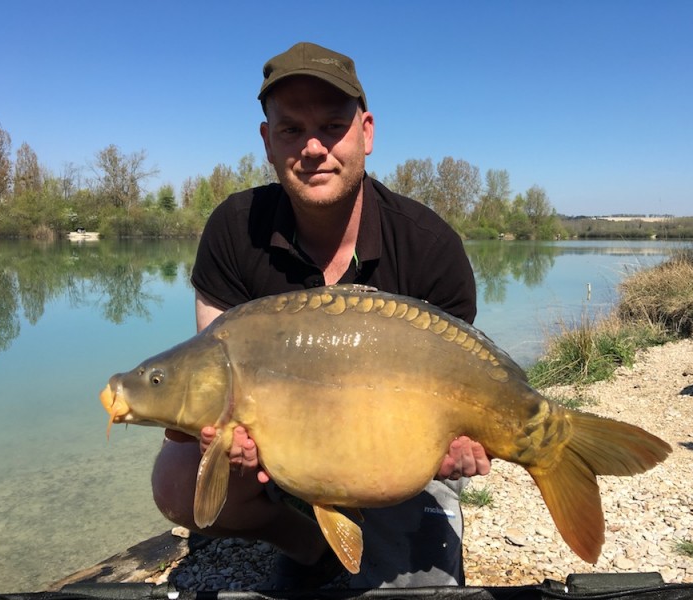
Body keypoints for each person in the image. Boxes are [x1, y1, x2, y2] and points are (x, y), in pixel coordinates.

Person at [151, 41, 491, 589]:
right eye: (291, 129)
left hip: (394, 453)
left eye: (333, 126)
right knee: (176, 479)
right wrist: (222, 437)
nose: (313, 148)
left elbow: (463, 383)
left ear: (366, 133)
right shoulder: (234, 230)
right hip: (283, 449)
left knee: (416, 589)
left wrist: (457, 446)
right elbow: (212, 374)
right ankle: (305, 542)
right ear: (267, 141)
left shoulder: (429, 245)